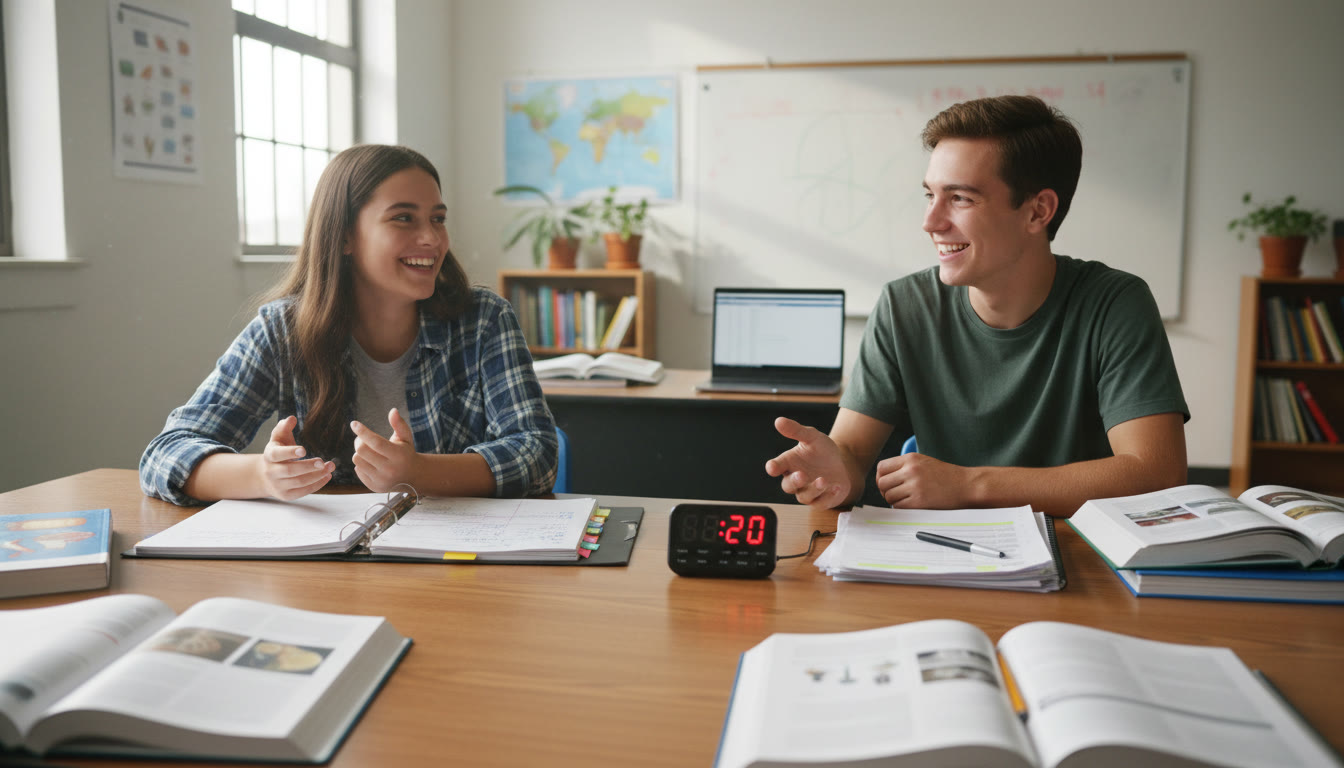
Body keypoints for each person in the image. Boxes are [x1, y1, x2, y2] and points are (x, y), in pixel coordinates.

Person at [765, 95, 1189, 518]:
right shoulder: (903, 306)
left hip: (1080, 562)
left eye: (961, 199)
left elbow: (1155, 473)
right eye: (929, 195)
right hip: (944, 557)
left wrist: (969, 484)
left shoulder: (1114, 304)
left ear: (1038, 211)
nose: (931, 222)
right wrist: (836, 473)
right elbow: (853, 456)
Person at [141, 144, 557, 505]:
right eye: (404, 218)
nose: (432, 239)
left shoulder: (484, 319)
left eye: (438, 218)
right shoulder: (284, 330)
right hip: (331, 570)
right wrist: (262, 476)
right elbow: (165, 454)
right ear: (343, 237)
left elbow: (537, 455)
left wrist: (418, 472)